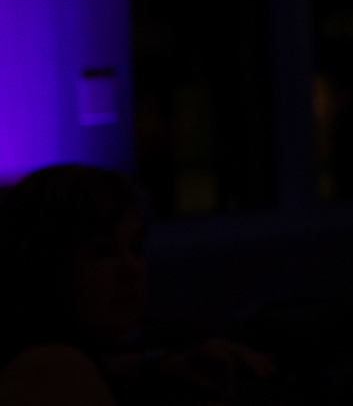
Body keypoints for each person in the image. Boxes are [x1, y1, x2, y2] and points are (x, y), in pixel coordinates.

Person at [0, 164, 273, 406]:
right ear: (41, 261)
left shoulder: (95, 359)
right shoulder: (47, 370)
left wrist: (162, 367)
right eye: (102, 251)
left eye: (135, 247)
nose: (132, 269)